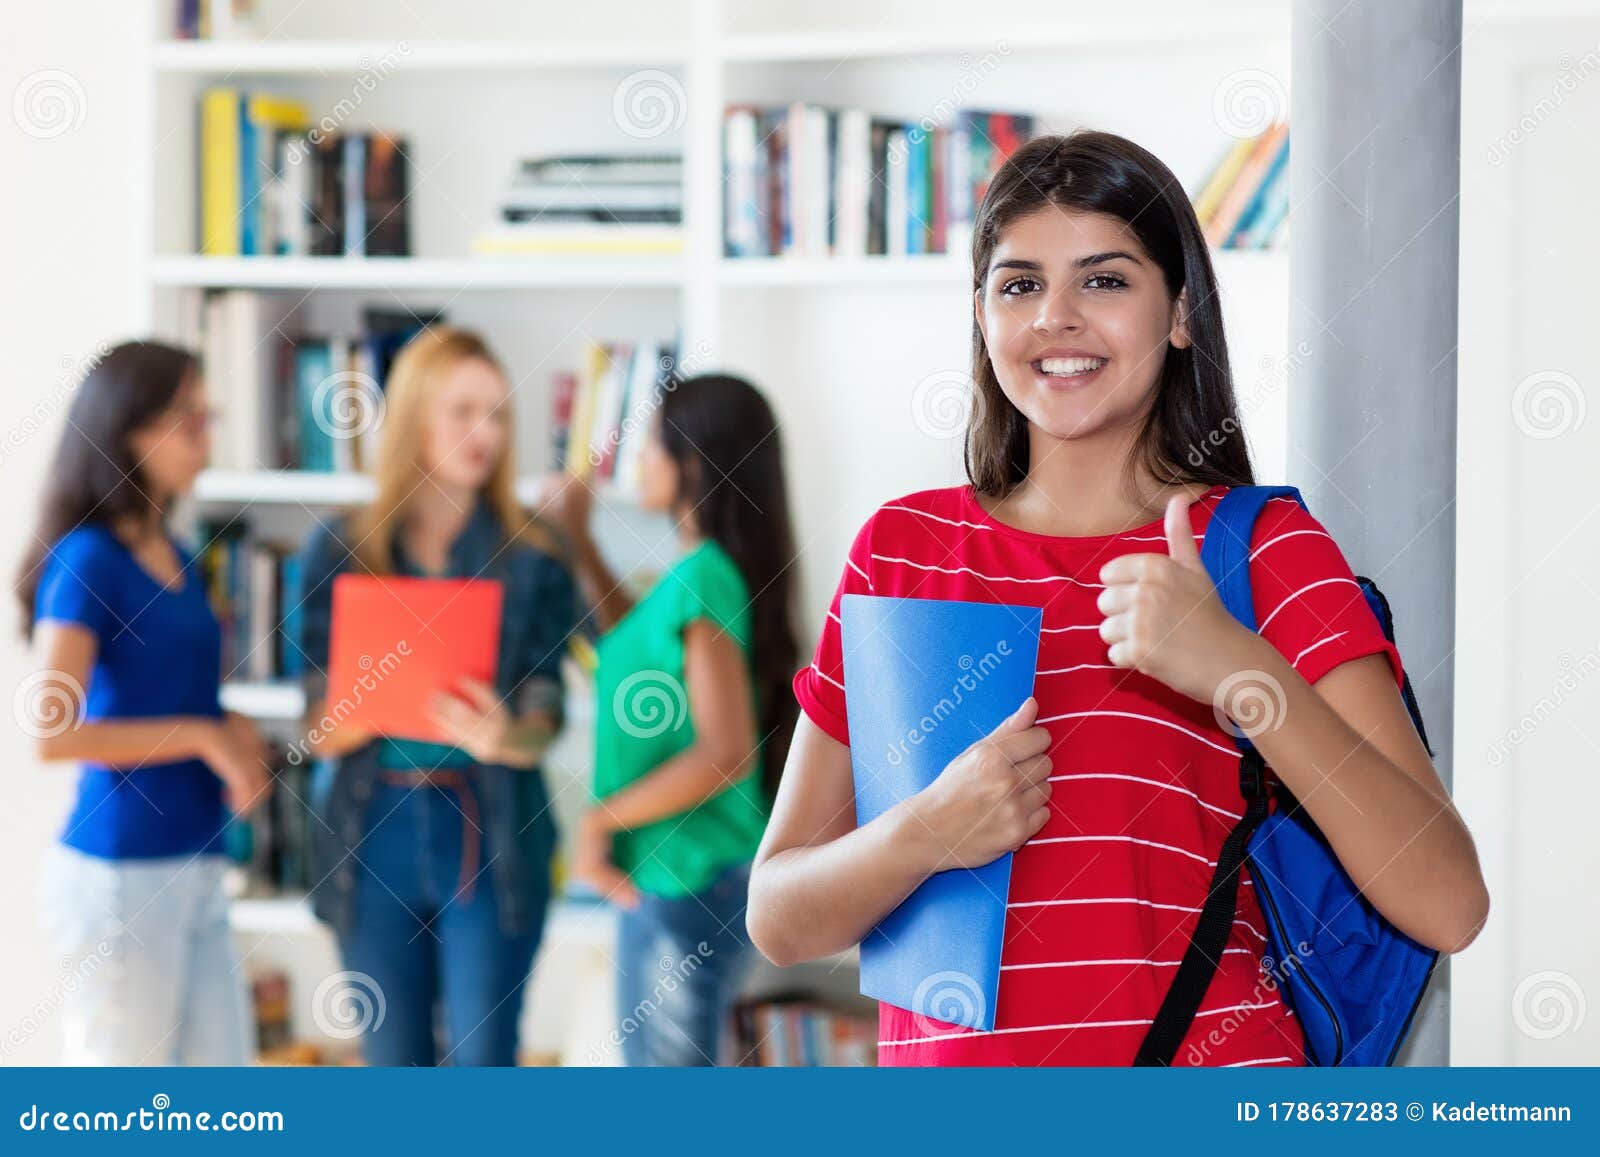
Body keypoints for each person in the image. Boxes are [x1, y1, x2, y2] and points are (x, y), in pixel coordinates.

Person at [747, 131, 1490, 1066]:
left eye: (1103, 280)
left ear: (1180, 313)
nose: (1055, 316)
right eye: (1019, 284)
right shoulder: (902, 552)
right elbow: (778, 915)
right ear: (982, 316)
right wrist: (925, 832)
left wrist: (1241, 669)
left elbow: (1448, 899)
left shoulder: (1265, 551)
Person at [294, 326, 578, 1066]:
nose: (485, 432)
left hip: (491, 830)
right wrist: (346, 716)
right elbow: (311, 724)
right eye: (462, 410)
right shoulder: (338, 547)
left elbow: (547, 711)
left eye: (498, 413)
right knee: (394, 1066)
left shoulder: (536, 553)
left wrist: (505, 736)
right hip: (369, 831)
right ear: (416, 415)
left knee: (483, 1065)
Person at [17, 340, 271, 1065]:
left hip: (196, 861)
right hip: (121, 875)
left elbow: (183, 696)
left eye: (206, 416)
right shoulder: (88, 560)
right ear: (131, 430)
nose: (205, 435)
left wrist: (231, 734)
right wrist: (199, 735)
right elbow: (52, 735)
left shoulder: (182, 556)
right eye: (187, 418)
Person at [544, 373, 799, 1066]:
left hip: (686, 878)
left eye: (653, 443)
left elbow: (725, 753)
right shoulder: (703, 573)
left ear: (693, 462)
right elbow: (633, 650)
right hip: (683, 875)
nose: (640, 461)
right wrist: (581, 539)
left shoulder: (704, 577)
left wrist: (597, 823)